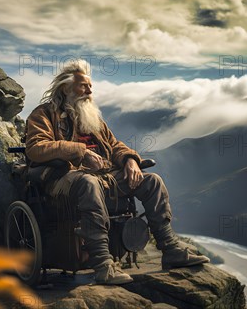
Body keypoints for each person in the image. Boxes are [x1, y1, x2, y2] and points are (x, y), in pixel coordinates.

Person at [25, 59, 209, 285]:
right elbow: (35, 149)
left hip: (104, 177)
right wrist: (80, 152)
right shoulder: (43, 114)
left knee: (152, 182)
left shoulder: (90, 116)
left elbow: (114, 146)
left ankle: (170, 249)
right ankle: (103, 264)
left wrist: (130, 160)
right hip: (62, 179)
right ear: (65, 88)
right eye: (84, 85)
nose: (90, 90)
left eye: (90, 85)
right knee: (88, 184)